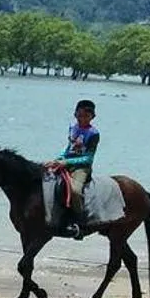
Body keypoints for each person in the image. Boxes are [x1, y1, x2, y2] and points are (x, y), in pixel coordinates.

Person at [43, 99, 100, 238]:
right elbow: (69, 148)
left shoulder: (93, 134)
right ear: (75, 114)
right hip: (66, 163)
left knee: (75, 190)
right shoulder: (72, 128)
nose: (82, 119)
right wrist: (57, 160)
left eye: (86, 116)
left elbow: (88, 158)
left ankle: (80, 222)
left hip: (81, 168)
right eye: (79, 115)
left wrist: (66, 162)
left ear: (92, 117)